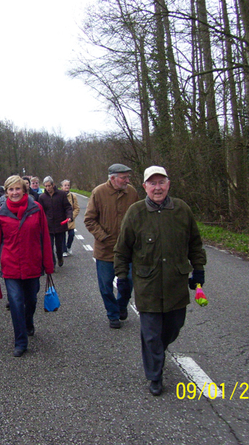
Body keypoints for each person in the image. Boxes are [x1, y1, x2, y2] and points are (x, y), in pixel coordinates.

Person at [114, 166, 206, 396]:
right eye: (152, 183)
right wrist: (122, 277)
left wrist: (199, 269)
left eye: (161, 182)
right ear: (144, 186)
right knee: (152, 333)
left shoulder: (182, 210)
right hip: (148, 285)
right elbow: (122, 250)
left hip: (176, 282)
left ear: (168, 184)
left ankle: (158, 351)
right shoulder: (135, 213)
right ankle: (155, 375)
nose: (157, 187)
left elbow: (195, 243)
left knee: (174, 326)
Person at [0, 175, 54, 357]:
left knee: (31, 300)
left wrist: (49, 266)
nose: (15, 192)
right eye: (11, 189)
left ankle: (28, 322)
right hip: (10, 266)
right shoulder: (1, 214)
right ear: (7, 192)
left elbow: (45, 238)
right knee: (16, 302)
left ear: (24, 190)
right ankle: (20, 341)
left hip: (33, 263)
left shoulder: (36, 209)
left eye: (18, 189)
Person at [84, 164, 139, 329]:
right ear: (113, 178)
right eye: (124, 177)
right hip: (105, 250)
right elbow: (89, 219)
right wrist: (103, 237)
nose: (127, 180)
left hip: (127, 250)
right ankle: (112, 314)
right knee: (106, 286)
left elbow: (139, 218)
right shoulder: (98, 192)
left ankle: (122, 305)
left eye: (128, 177)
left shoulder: (132, 192)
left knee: (128, 282)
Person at [38, 176, 72, 268]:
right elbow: (40, 212)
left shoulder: (61, 195)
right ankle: (52, 262)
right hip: (48, 226)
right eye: (46, 186)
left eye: (49, 186)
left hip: (60, 225)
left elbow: (68, 207)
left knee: (59, 245)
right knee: (49, 246)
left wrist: (69, 216)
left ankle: (60, 257)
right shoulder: (42, 197)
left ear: (53, 185)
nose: (48, 188)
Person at [60, 179, 80, 257]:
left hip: (70, 220)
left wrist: (72, 216)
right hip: (62, 220)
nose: (67, 187)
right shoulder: (59, 196)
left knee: (71, 234)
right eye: (65, 185)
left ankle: (68, 246)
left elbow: (77, 208)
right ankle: (63, 250)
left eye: (68, 185)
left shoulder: (73, 196)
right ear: (61, 187)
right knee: (62, 236)